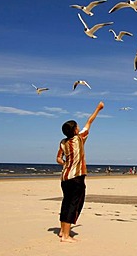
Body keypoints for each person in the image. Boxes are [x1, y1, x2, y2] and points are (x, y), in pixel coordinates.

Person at [56, 101, 104, 243]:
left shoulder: (63, 143)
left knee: (66, 203)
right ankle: (65, 235)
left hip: (65, 178)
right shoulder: (79, 139)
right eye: (77, 127)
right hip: (76, 178)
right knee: (74, 204)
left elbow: (58, 158)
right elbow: (90, 121)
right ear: (75, 131)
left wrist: (66, 164)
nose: (78, 128)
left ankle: (62, 230)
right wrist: (98, 108)